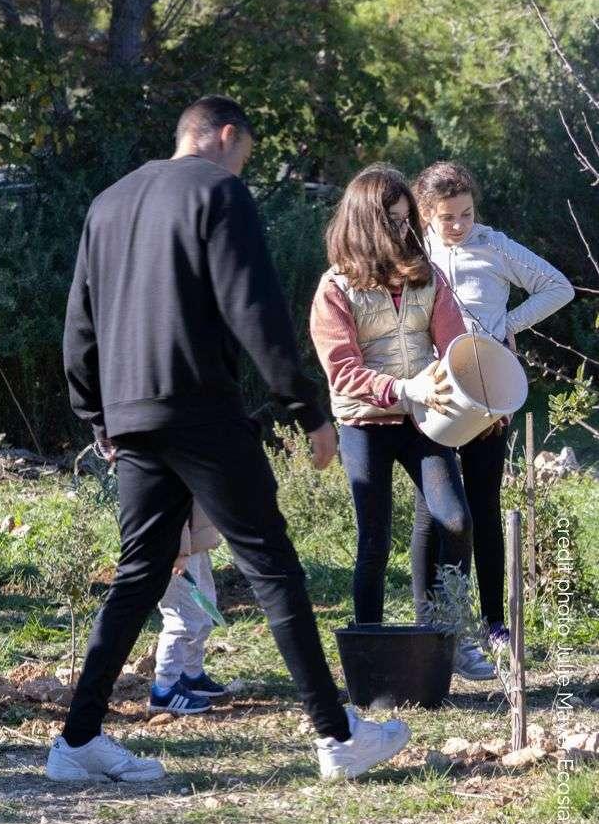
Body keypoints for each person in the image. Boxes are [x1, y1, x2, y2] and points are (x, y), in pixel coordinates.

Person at [57, 95, 408, 783]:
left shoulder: (107, 202)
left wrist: (96, 416)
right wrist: (306, 407)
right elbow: (252, 305)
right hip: (196, 409)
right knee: (271, 564)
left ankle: (75, 741)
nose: (241, 167)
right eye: (244, 154)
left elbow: (79, 322)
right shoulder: (218, 189)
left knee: (137, 574)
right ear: (223, 137)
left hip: (130, 415)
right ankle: (336, 737)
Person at [308, 165, 479, 677]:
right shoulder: (335, 288)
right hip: (365, 423)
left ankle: (446, 633)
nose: (406, 233)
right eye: (395, 223)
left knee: (453, 519)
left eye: (409, 221)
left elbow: (451, 346)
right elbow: (343, 371)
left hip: (426, 418)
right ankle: (369, 648)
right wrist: (403, 389)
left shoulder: (430, 275)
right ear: (366, 225)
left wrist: (475, 393)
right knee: (374, 540)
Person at [415, 160, 572, 667]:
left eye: (466, 212)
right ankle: (433, 623)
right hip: (436, 391)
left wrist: (509, 325)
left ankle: (493, 623)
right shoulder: (417, 254)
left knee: (483, 503)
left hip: (486, 389)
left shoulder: (494, 245)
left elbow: (558, 287)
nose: (458, 224)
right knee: (432, 508)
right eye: (447, 216)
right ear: (426, 215)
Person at [147, 508, 228, 714]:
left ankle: (190, 675)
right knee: (182, 619)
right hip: (176, 549)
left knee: (203, 613)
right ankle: (165, 688)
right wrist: (179, 549)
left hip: (195, 545)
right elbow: (170, 501)